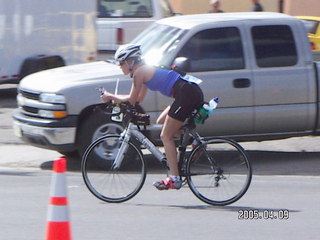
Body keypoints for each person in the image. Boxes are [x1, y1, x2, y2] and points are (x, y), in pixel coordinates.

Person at [101, 44, 204, 190]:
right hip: (188, 91)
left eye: (121, 63)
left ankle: (174, 179)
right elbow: (138, 99)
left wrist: (111, 96)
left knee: (165, 136)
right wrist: (115, 98)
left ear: (130, 62)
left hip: (186, 93)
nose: (120, 66)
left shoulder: (139, 73)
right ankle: (195, 142)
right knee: (162, 121)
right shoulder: (143, 72)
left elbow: (131, 100)